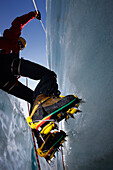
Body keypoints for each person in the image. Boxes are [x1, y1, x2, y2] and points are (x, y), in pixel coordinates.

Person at [0, 11, 60, 105]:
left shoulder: (11, 50)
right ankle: (50, 99)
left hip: (5, 82)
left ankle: (42, 110)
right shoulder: (11, 39)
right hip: (8, 65)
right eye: (21, 45)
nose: (21, 48)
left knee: (32, 98)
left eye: (22, 47)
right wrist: (34, 14)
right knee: (48, 74)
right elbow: (18, 22)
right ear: (18, 41)